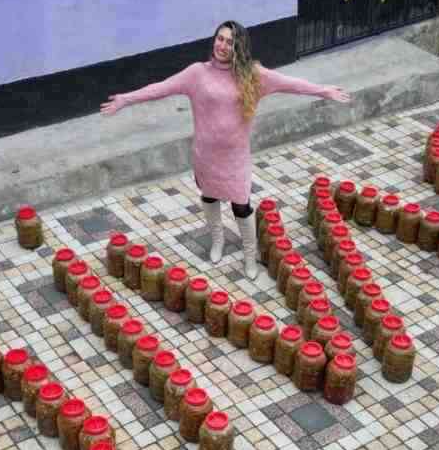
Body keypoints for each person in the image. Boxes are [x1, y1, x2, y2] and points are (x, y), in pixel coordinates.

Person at [101, 21, 351, 278]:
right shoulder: (197, 73)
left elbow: (291, 83)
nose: (222, 45)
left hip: (235, 159)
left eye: (229, 42)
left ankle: (249, 254)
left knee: (241, 206)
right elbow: (160, 88)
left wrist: (324, 91)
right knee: (209, 197)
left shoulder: (253, 75)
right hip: (205, 156)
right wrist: (125, 99)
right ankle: (217, 241)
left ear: (238, 46)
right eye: (219, 39)